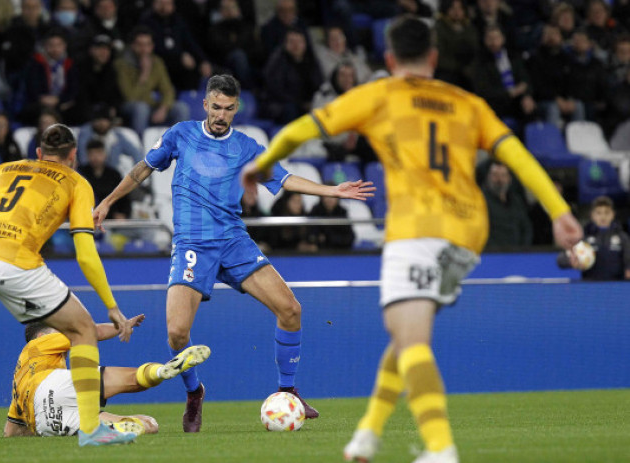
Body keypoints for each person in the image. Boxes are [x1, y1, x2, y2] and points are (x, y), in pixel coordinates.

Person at [241, 17, 583, 463]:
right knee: (406, 331)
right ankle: (368, 432)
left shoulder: (380, 95)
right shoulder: (466, 102)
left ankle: (441, 448)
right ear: (434, 58)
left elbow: (301, 130)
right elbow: (517, 154)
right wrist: (560, 213)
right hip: (470, 232)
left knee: (412, 339)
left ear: (388, 59)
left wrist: (260, 164)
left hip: (417, 229)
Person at [93, 74, 375, 433]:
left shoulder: (246, 146)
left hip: (233, 241)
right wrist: (106, 202)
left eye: (228, 108)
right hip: (192, 244)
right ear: (205, 105)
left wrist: (332, 191)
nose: (221, 114)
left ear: (236, 108)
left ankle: (288, 392)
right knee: (177, 333)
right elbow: (142, 170)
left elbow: (284, 179)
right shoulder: (182, 134)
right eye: (216, 107)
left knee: (290, 309)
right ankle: (195, 393)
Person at [0, 124, 141, 449]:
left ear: (38, 153)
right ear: (73, 155)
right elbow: (86, 254)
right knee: (83, 331)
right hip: (18, 261)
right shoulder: (77, 182)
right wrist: (112, 307)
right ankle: (91, 430)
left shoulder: (4, 169)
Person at [3, 320, 211, 437]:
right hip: (54, 385)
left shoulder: (19, 378)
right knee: (133, 379)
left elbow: (11, 431)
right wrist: (122, 325)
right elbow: (88, 331)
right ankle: (161, 371)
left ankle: (117, 429)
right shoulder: (39, 344)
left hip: (48, 423)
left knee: (149, 424)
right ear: (43, 336)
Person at [115, 25, 190, 136]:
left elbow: (168, 90)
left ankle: (179, 147)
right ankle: (141, 147)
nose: (144, 49)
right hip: (129, 107)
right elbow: (130, 97)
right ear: (132, 45)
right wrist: (144, 74)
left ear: (152, 46)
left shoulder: (156, 62)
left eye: (147, 45)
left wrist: (164, 108)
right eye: (140, 45)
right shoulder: (121, 64)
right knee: (141, 108)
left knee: (181, 108)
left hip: (151, 105)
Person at [558, 196, 630, 280]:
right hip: (590, 288)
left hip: (616, 288)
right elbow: (561, 260)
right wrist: (570, 261)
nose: (603, 217)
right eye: (598, 213)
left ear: (613, 214)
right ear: (592, 215)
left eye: (607, 212)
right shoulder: (583, 237)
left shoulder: (622, 237)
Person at [482, 161, 533, 249]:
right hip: (492, 255)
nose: (499, 180)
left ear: (509, 179)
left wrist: (523, 250)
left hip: (518, 254)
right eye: (495, 175)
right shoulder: (481, 200)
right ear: (488, 177)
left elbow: (526, 227)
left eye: (503, 175)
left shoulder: (516, 201)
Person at [79, 139, 131, 219]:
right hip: (87, 218)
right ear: (87, 155)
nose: (95, 157)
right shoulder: (81, 174)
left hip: (112, 219)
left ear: (105, 154)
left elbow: (124, 197)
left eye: (98, 153)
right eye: (91, 154)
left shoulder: (114, 175)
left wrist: (122, 213)